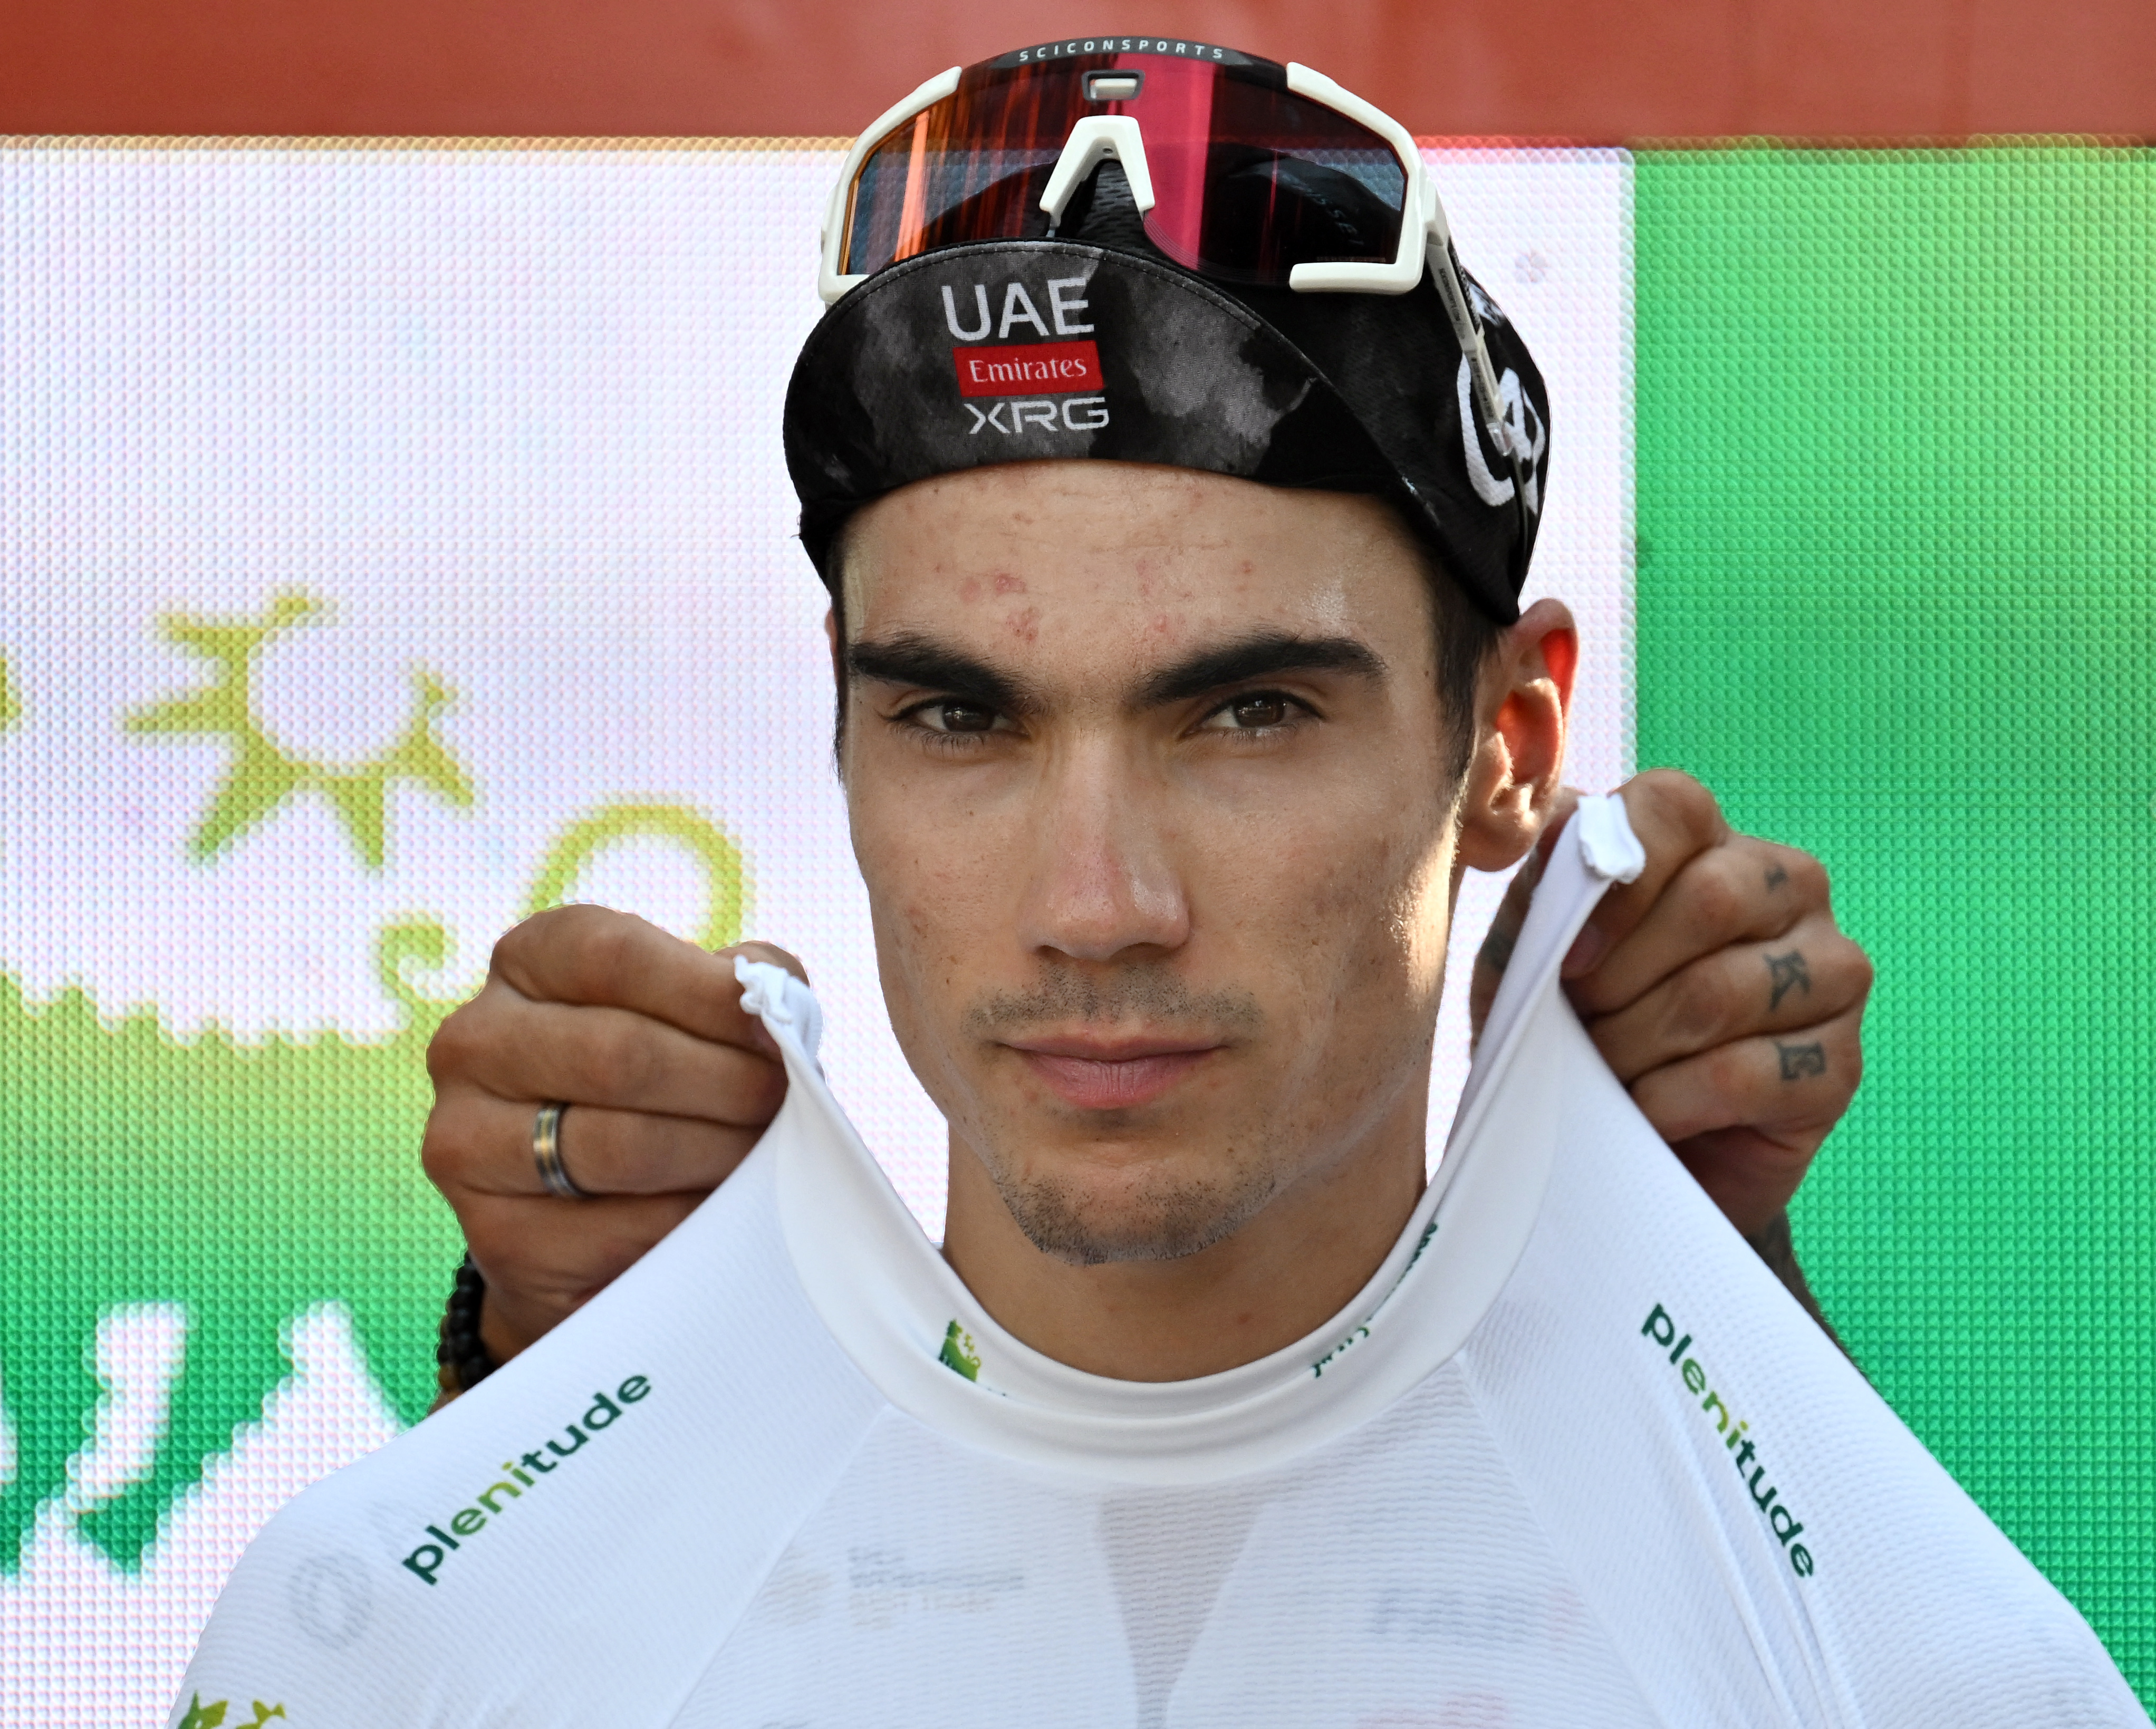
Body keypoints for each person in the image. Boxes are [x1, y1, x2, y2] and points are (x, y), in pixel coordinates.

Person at [174, 39, 2142, 1725]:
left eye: (1250, 714)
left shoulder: (1881, 1640)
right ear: (842, 727)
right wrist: (565, 1394)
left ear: (1513, 746)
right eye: (963, 720)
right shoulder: (400, 1596)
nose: (1095, 904)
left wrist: (1684, 1296)